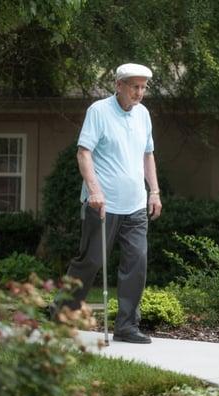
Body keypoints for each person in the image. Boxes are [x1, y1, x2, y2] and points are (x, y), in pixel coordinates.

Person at [52, 63, 162, 344]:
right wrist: (94, 190)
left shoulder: (143, 115)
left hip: (136, 204)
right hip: (102, 204)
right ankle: (62, 313)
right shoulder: (98, 111)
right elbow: (83, 153)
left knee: (137, 262)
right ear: (119, 85)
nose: (139, 93)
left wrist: (154, 192)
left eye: (143, 88)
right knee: (90, 261)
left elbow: (148, 155)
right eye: (134, 87)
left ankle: (126, 326)